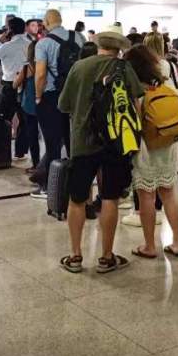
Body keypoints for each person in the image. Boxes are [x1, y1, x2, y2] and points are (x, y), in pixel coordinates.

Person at [57, 25, 143, 275]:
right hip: (115, 142)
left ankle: (75, 255)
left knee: (77, 199)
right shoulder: (124, 68)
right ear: (119, 49)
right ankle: (106, 257)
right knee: (110, 198)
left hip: (83, 142)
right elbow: (136, 105)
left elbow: (63, 104)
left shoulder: (80, 67)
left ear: (99, 45)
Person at [124, 43, 178, 259]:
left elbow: (135, 121)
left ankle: (149, 245)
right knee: (169, 193)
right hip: (169, 142)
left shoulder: (135, 89)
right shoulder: (165, 83)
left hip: (146, 146)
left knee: (146, 196)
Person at [31, 9, 77, 196]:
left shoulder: (43, 43)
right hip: (75, 96)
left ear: (47, 22)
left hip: (52, 97)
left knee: (52, 144)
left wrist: (38, 96)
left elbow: (41, 74)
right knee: (72, 142)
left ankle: (51, 189)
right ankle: (73, 184)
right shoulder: (79, 38)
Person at [0, 17, 33, 165]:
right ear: (24, 29)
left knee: (3, 118)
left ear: (9, 30)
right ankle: (20, 152)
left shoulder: (6, 46)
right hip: (26, 84)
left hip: (9, 85)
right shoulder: (30, 44)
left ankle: (1, 150)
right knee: (24, 119)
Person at [13, 38, 41, 169]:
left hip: (29, 105)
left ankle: (36, 164)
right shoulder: (46, 65)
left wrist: (17, 76)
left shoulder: (26, 67)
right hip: (43, 103)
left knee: (32, 135)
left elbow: (15, 84)